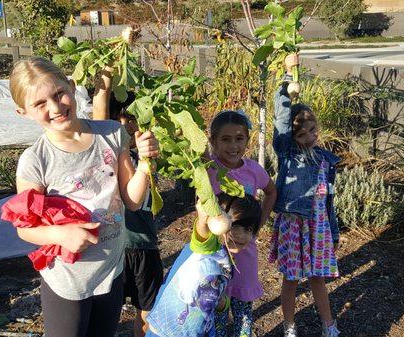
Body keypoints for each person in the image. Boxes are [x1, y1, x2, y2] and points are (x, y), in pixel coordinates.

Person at [8, 57, 159, 337]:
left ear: (72, 85)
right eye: (40, 104)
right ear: (23, 112)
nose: (55, 107)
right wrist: (61, 235)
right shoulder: (35, 161)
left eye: (58, 94)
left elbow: (133, 201)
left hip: (110, 271)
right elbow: (24, 228)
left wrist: (146, 163)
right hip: (67, 280)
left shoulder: (112, 134)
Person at [269, 54, 341, 337]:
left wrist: (334, 233)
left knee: (317, 279)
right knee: (291, 280)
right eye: (302, 134)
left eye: (312, 130)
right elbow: (282, 120)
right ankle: (289, 326)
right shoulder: (287, 153)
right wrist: (289, 79)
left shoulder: (325, 160)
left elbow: (329, 202)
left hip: (319, 227)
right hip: (293, 225)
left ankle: (328, 324)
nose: (309, 136)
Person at [92, 69, 164, 337]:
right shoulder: (108, 153)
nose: (124, 123)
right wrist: (106, 82)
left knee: (148, 310)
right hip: (116, 247)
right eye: (117, 117)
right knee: (107, 311)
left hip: (146, 245)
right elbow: (99, 121)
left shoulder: (148, 153)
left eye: (130, 117)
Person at [145, 193, 262, 337]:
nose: (240, 234)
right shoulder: (206, 247)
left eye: (248, 229)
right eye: (235, 225)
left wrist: (223, 303)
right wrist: (202, 219)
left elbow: (218, 296)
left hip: (197, 330)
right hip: (166, 329)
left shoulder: (228, 262)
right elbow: (203, 233)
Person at [207, 110, 277, 337]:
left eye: (239, 138)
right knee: (215, 305)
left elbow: (271, 191)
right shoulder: (208, 170)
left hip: (245, 252)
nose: (233, 145)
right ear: (214, 142)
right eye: (225, 139)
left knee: (243, 309)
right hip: (214, 251)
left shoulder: (253, 170)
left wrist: (259, 222)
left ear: (247, 140)